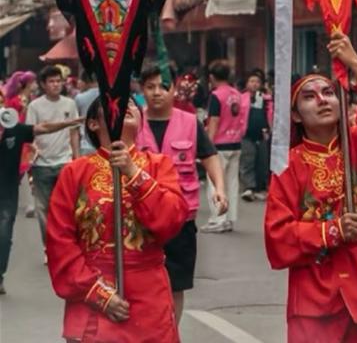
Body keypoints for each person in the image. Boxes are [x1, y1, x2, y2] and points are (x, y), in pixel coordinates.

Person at [265, 31, 357, 342]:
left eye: (328, 92)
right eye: (309, 96)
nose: (322, 100)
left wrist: (354, 63)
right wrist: (332, 231)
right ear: (295, 115)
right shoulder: (287, 165)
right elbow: (277, 237)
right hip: (314, 299)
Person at [45, 97, 188, 342]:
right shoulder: (75, 172)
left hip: (149, 295)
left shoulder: (158, 165)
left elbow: (171, 221)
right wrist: (97, 293)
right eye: (116, 102)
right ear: (93, 123)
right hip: (92, 294)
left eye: (131, 103)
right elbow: (60, 241)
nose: (127, 106)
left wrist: (133, 173)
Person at [136, 61, 228, 323]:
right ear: (142, 89)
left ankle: (171, 333)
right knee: (141, 281)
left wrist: (220, 189)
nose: (157, 92)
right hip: (139, 219)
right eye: (150, 86)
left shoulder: (189, 122)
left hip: (180, 219)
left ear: (174, 88)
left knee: (176, 283)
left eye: (163, 86)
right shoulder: (133, 122)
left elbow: (209, 156)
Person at [0, 102, 81, 296]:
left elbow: (43, 128)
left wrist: (69, 123)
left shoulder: (15, 129)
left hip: (7, 193)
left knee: (4, 234)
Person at [26, 63, 80, 253]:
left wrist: (76, 158)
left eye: (59, 81)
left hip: (65, 162)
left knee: (67, 207)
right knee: (44, 209)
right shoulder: (34, 106)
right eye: (52, 81)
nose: (56, 84)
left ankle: (66, 246)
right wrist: (33, 154)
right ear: (43, 84)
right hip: (42, 164)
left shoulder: (70, 104)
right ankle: (48, 247)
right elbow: (30, 133)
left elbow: (74, 132)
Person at [203, 61, 247, 234]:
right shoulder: (237, 94)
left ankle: (217, 219)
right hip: (236, 142)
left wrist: (207, 145)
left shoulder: (216, 95)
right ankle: (229, 218)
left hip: (219, 145)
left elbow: (214, 120)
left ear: (212, 77)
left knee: (215, 182)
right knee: (232, 183)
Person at [240, 70, 273, 202]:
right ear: (247, 83)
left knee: (262, 161)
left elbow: (270, 114)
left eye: (257, 82)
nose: (254, 84)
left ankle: (261, 187)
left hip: (262, 133)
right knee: (248, 160)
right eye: (252, 81)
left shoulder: (266, 99)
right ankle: (249, 187)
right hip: (247, 133)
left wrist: (270, 128)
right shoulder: (241, 97)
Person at [73, 69, 100, 156]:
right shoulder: (107, 95)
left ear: (85, 81)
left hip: (86, 144)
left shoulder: (79, 98)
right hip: (104, 143)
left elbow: (75, 122)